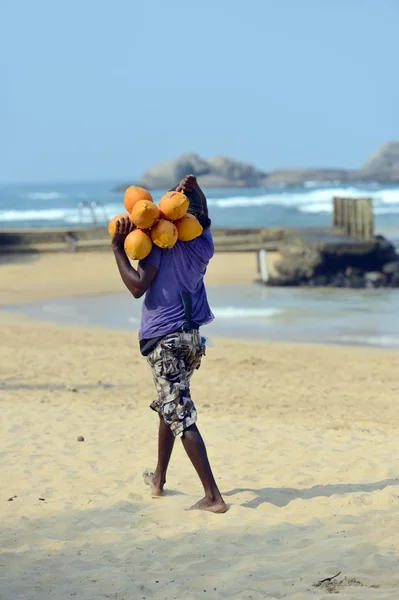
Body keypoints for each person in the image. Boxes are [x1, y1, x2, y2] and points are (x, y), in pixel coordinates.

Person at [112, 175, 227, 513]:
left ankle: (213, 497)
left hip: (164, 339)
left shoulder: (159, 244)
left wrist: (118, 249)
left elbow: (137, 287)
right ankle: (159, 479)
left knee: (180, 413)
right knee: (169, 404)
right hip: (192, 339)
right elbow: (204, 216)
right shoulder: (203, 245)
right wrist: (196, 191)